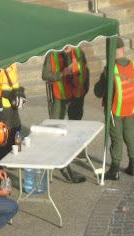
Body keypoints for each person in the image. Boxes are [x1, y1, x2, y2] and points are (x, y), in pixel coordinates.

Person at [94, 37, 134, 180]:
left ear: (112, 52)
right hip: (131, 107)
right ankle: (132, 166)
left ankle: (114, 170)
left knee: (116, 138)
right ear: (123, 49)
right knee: (129, 134)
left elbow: (98, 92)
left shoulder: (110, 69)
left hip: (114, 110)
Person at [42, 46, 89, 183]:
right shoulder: (52, 54)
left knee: (76, 126)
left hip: (77, 95)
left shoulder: (79, 52)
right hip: (60, 97)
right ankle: (57, 158)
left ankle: (77, 151)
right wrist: (62, 74)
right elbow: (45, 75)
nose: (68, 46)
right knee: (55, 128)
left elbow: (85, 71)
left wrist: (84, 89)